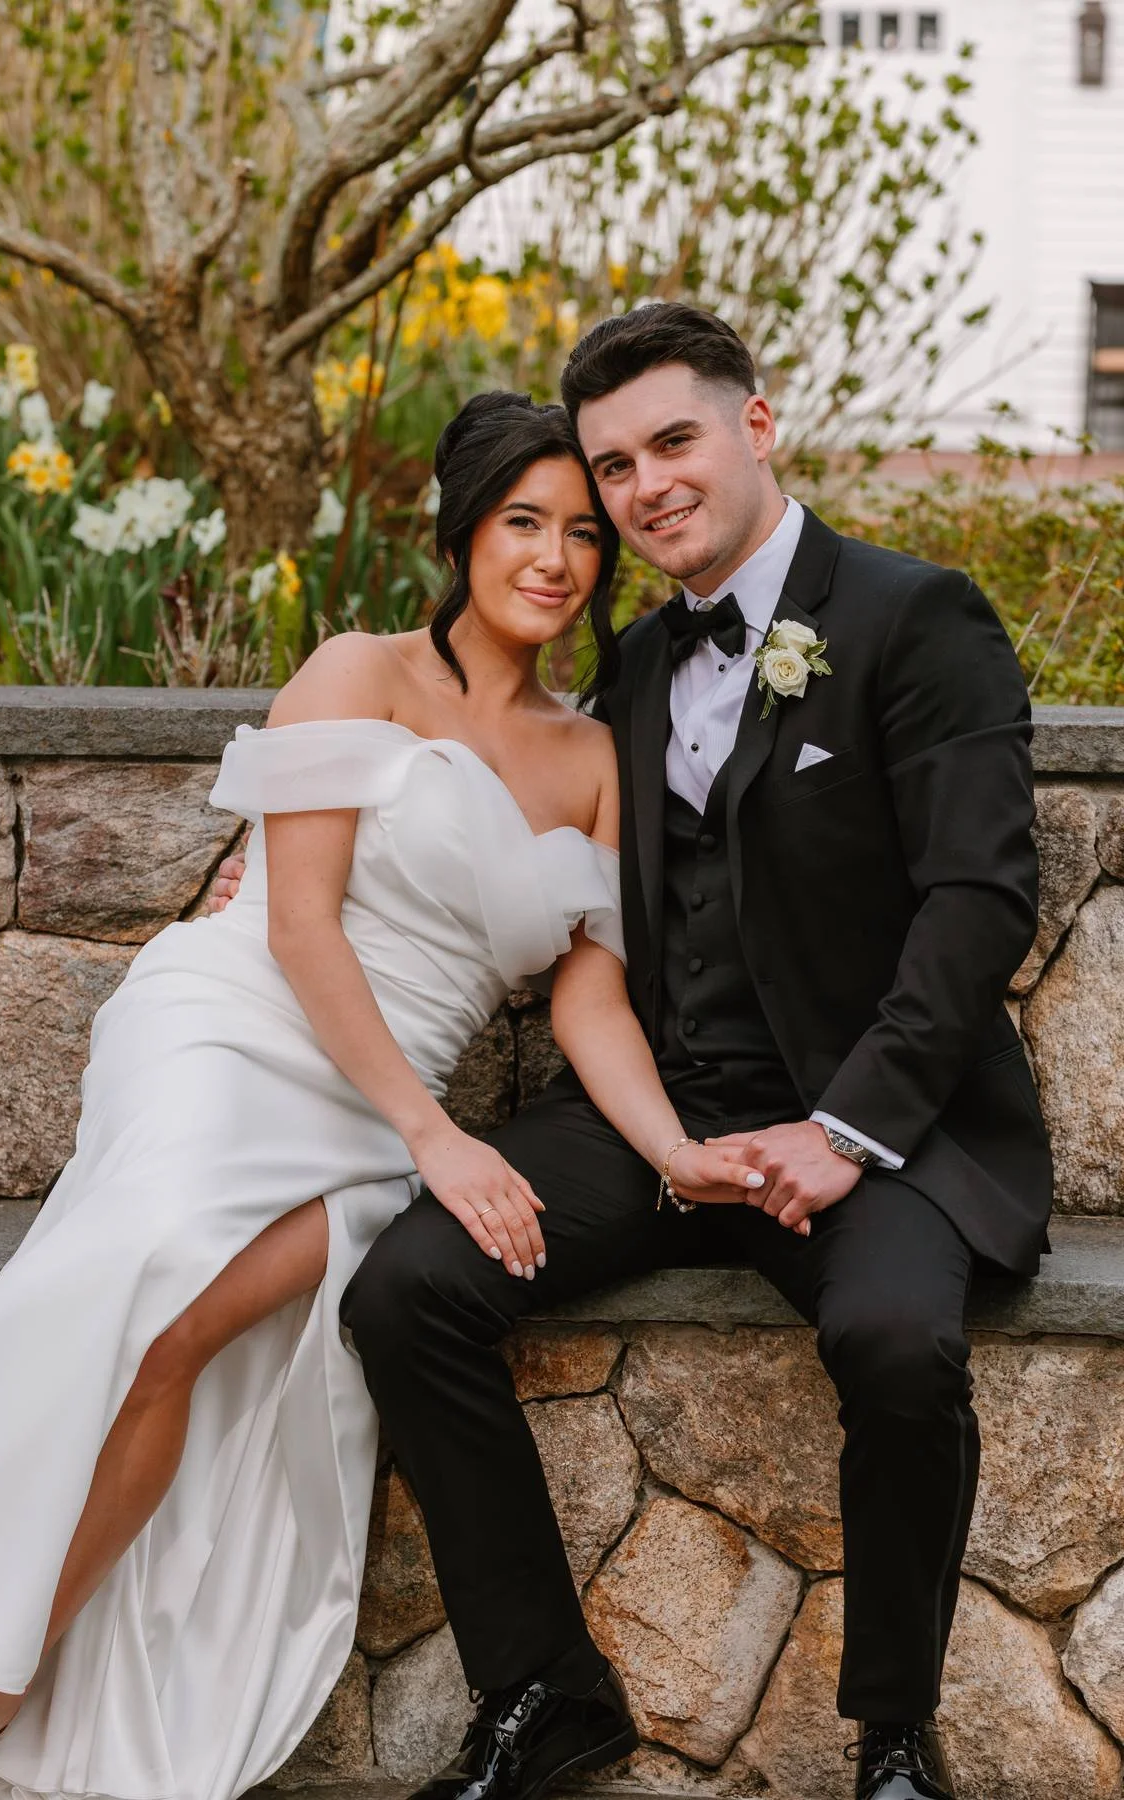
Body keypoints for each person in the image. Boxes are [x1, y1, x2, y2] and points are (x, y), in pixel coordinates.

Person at [214, 308, 1051, 1800]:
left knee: (897, 1346)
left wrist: (845, 1131)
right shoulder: (634, 666)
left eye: (673, 440)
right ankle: (546, 1692)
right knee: (409, 1290)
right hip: (663, 1111)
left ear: (757, 425)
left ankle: (897, 1743)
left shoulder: (921, 618)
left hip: (872, 1124)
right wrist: (276, 863)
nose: (646, 483)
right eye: (616, 463)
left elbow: (980, 899)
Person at [0, 393, 770, 1800]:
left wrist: (679, 1148)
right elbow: (300, 925)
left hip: (382, 1122)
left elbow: (590, 997)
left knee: (182, 1336)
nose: (555, 559)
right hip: (234, 1029)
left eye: (580, 534)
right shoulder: (356, 671)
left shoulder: (592, 757)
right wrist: (442, 1143)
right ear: (462, 531)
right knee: (147, 1269)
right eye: (522, 524)